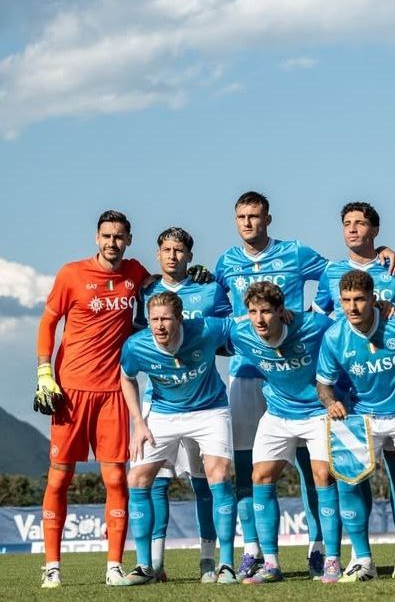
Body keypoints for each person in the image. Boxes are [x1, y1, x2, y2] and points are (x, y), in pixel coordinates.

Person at [214, 191, 395, 579]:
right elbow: (210, 318)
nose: (248, 222)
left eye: (255, 216)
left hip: (308, 384)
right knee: (252, 471)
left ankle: (322, 550)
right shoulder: (225, 264)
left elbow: (342, 274)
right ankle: (255, 553)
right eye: (241, 217)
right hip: (249, 374)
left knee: (316, 472)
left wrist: (376, 255)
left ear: (268, 219)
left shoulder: (297, 255)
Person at [34, 210, 150, 588]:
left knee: (116, 478)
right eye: (106, 236)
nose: (112, 242)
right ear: (96, 238)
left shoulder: (134, 273)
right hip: (70, 392)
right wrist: (44, 372)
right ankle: (52, 566)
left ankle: (113, 566)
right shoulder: (71, 274)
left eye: (118, 236)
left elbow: (163, 288)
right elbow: (48, 323)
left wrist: (193, 277)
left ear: (128, 240)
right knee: (59, 477)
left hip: (114, 392)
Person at [312, 201, 395, 577]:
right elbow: (318, 321)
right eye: (347, 223)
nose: (352, 229)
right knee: (350, 475)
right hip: (350, 392)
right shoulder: (331, 272)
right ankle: (358, 556)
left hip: (394, 388)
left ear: (375, 230)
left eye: (360, 223)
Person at [133, 227, 232, 582]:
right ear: (158, 254)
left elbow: (228, 337)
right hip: (158, 400)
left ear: (190, 256)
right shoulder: (145, 290)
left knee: (204, 483)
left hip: (204, 401)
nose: (172, 256)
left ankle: (209, 561)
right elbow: (139, 339)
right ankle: (154, 564)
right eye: (166, 250)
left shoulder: (209, 289)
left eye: (179, 250)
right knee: (157, 482)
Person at [120, 292, 238, 585]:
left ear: (180, 319)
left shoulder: (206, 329)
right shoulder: (136, 345)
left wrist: (287, 315)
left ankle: (225, 565)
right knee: (137, 479)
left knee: (219, 475)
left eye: (165, 319)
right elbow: (127, 377)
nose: (159, 326)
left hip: (209, 410)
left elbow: (241, 323)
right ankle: (145, 567)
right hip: (164, 413)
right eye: (154, 320)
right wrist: (138, 423)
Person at [230, 282, 341, 584]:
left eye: (266, 311)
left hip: (317, 412)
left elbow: (347, 332)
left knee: (323, 476)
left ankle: (331, 559)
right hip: (278, 412)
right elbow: (207, 331)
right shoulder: (241, 333)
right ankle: (271, 564)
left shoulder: (314, 325)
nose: (259, 319)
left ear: (281, 310)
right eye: (253, 312)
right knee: (260, 476)